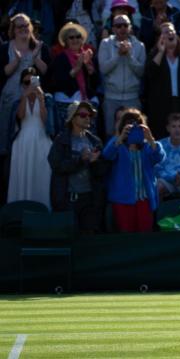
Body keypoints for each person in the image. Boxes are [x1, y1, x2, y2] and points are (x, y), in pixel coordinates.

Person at [48, 101, 110, 234]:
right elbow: (56, 165)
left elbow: (102, 171)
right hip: (68, 200)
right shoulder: (61, 140)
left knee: (89, 239)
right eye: (83, 115)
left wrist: (95, 163)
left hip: (90, 199)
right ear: (72, 118)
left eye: (90, 115)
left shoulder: (95, 141)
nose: (88, 118)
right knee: (70, 238)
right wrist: (80, 160)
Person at [102, 107, 166, 232]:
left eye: (137, 123)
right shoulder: (117, 144)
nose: (132, 127)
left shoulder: (147, 146)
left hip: (144, 198)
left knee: (145, 232)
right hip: (123, 199)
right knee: (127, 234)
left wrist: (150, 138)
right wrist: (120, 138)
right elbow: (107, 155)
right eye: (128, 124)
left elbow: (159, 157)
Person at [0, 13, 50, 155]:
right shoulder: (5, 48)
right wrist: (16, 61)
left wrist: (35, 58)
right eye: (19, 26)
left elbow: (47, 71)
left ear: (31, 27)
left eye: (26, 25)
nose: (23, 28)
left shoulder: (41, 47)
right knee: (6, 142)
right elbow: (3, 73)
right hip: (10, 98)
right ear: (13, 29)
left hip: (34, 101)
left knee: (33, 139)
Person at [7, 67, 52, 208]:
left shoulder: (47, 98)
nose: (29, 85)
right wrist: (25, 96)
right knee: (23, 177)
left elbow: (46, 121)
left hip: (42, 141)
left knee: (42, 177)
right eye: (26, 82)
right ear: (22, 84)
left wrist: (41, 99)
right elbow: (21, 116)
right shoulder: (18, 100)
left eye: (32, 81)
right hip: (23, 142)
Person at [144, 22, 180, 139]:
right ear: (160, 38)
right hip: (162, 104)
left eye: (172, 31)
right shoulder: (154, 54)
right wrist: (161, 51)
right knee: (162, 134)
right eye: (166, 32)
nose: (170, 33)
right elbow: (151, 73)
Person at [98, 14, 146, 137]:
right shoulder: (105, 44)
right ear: (113, 29)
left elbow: (141, 72)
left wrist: (129, 56)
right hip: (111, 98)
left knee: (135, 134)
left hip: (132, 98)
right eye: (118, 26)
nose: (122, 28)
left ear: (130, 27)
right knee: (111, 134)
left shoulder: (139, 46)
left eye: (125, 25)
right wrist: (118, 55)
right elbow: (103, 69)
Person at [51, 21, 100, 135]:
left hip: (87, 103)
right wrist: (77, 68)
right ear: (66, 41)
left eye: (78, 37)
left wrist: (90, 69)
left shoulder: (88, 56)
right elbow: (59, 82)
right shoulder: (60, 58)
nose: (75, 40)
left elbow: (96, 83)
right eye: (71, 37)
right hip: (66, 102)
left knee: (89, 136)